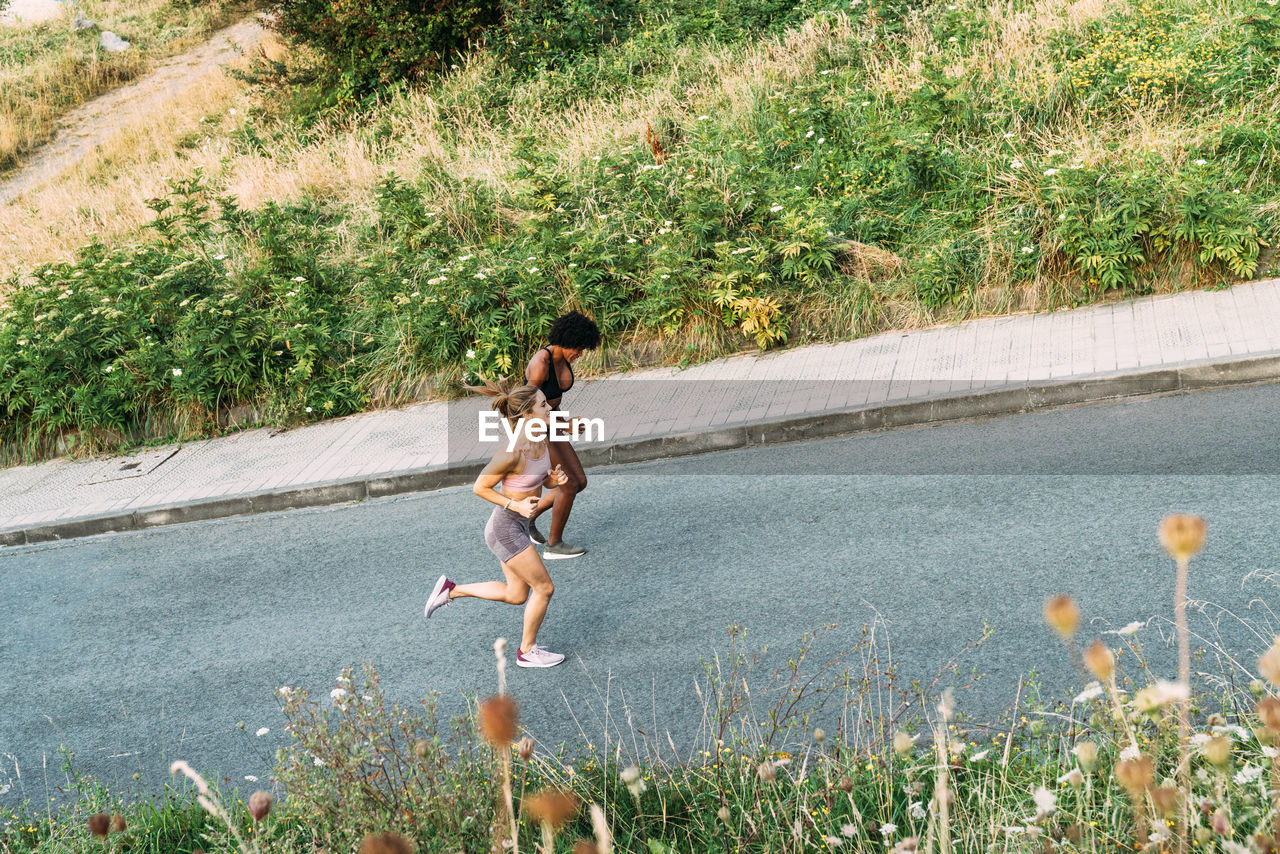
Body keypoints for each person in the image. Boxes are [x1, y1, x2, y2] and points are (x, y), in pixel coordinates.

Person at [425, 380, 570, 668]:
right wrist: (514, 504)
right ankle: (526, 652)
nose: (549, 407)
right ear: (527, 415)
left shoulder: (539, 439)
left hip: (513, 527)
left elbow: (537, 479)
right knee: (544, 588)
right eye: (543, 404)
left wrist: (553, 480)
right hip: (504, 528)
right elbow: (480, 487)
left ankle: (451, 590)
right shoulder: (511, 453)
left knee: (516, 594)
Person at [524, 311, 601, 559]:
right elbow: (526, 408)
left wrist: (563, 423)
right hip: (536, 429)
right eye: (578, 348)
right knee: (567, 485)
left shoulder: (562, 360)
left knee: (580, 482)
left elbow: (552, 404)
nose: (580, 354)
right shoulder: (540, 365)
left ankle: (526, 517)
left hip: (552, 424)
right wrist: (563, 426)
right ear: (566, 339)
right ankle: (554, 545)